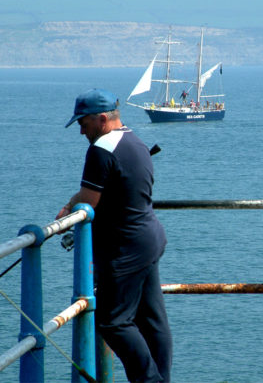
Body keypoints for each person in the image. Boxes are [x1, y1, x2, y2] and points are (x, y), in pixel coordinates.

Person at [56, 88, 172, 382]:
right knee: (151, 320)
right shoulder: (135, 141)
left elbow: (88, 201)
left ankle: (150, 381)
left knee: (113, 322)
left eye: (84, 124)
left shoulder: (101, 149)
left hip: (126, 247)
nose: (82, 132)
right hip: (149, 238)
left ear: (103, 118)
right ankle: (161, 378)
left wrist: (67, 214)